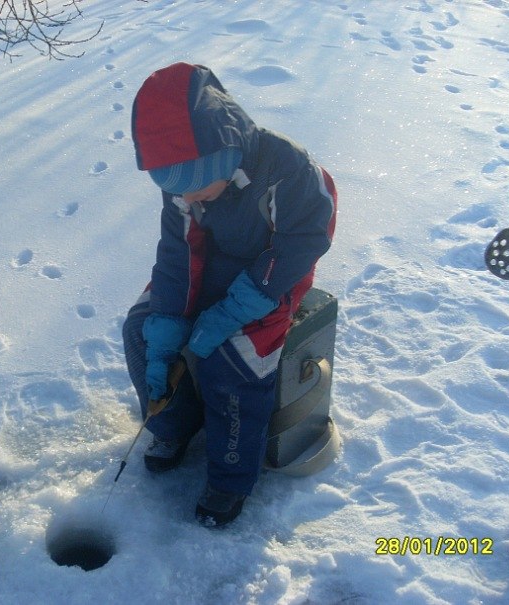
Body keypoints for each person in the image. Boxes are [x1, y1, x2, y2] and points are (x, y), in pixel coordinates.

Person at [122, 62, 338, 527]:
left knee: (232, 358)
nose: (190, 199)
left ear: (223, 156)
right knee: (143, 331)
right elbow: (178, 250)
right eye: (176, 190)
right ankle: (170, 423)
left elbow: (302, 243)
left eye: (197, 187)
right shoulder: (187, 184)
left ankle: (230, 476)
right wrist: (168, 324)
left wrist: (235, 309)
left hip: (274, 278)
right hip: (213, 269)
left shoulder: (287, 169)